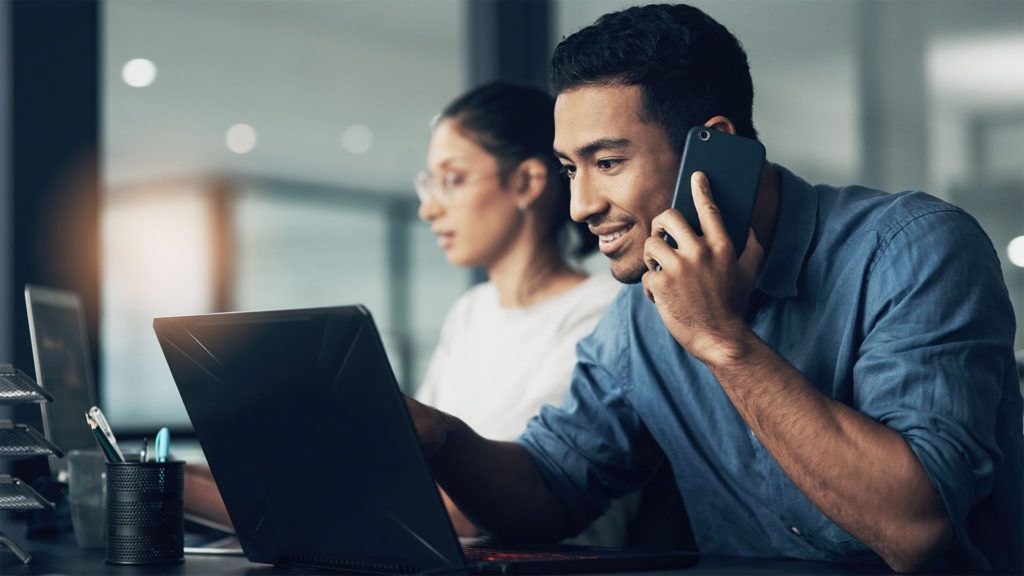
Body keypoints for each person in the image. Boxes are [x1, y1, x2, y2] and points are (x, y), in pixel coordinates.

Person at [405, 4, 1023, 573]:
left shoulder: (913, 248)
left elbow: (912, 527)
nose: (580, 206)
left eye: (609, 163)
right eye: (572, 169)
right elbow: (550, 490)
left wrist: (723, 341)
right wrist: (438, 436)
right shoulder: (636, 321)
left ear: (716, 146)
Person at [413, 82, 630, 544]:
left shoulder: (603, 313)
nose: (429, 208)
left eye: (453, 180)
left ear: (528, 182)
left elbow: (486, 504)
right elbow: (410, 471)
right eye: (429, 183)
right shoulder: (469, 313)